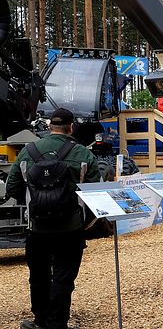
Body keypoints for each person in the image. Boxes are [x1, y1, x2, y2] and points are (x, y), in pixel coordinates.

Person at [5, 108, 100, 329]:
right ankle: (57, 323)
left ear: (49, 127)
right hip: (70, 228)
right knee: (64, 277)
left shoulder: (29, 151)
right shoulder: (83, 154)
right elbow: (96, 192)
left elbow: (12, 187)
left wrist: (34, 203)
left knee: (38, 276)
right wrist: (85, 223)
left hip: (37, 228)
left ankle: (40, 321)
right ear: (71, 127)